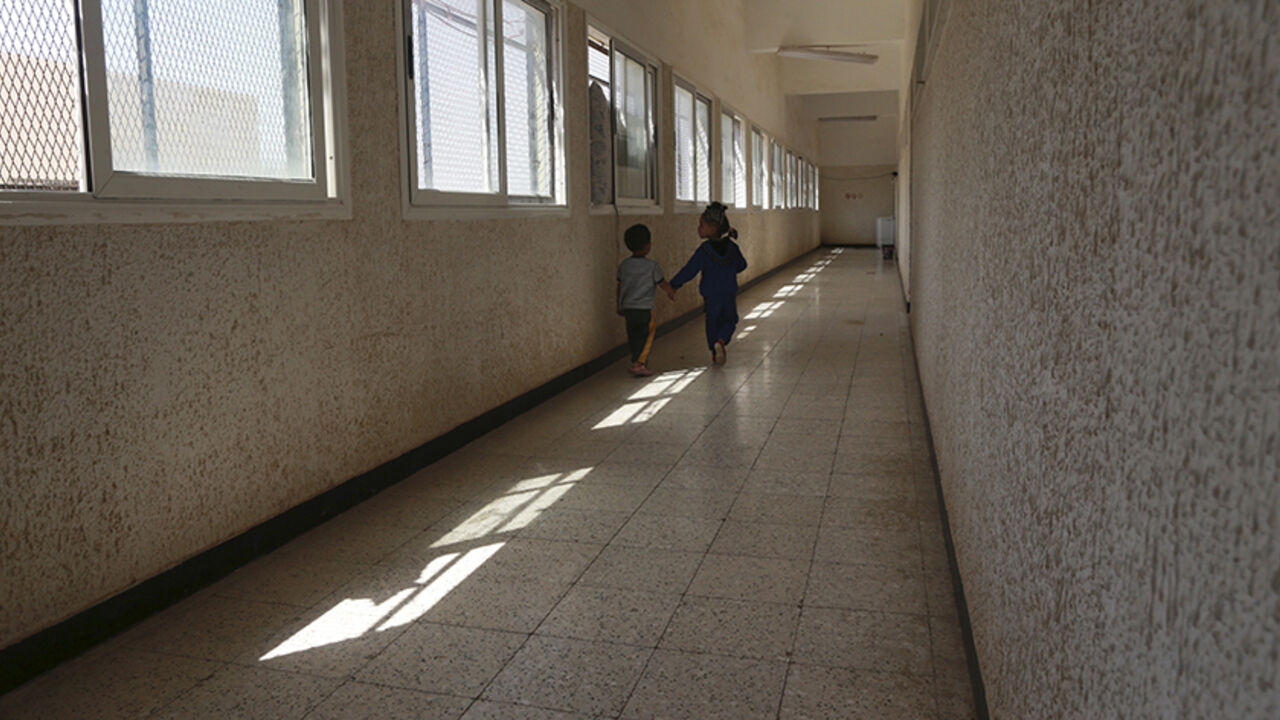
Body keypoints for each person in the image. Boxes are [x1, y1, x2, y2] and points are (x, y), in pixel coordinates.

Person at [669, 202, 747, 365]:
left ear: (712, 228)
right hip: (729, 292)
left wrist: (674, 284)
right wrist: (730, 271)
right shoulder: (733, 248)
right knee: (730, 319)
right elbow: (742, 265)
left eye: (701, 225)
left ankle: (714, 350)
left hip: (711, 295)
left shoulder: (704, 251)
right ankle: (721, 341)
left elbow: (690, 270)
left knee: (712, 322)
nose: (699, 228)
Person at [617, 223, 675, 377]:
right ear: (648, 245)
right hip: (644, 309)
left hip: (628, 308)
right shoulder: (652, 266)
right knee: (648, 334)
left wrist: (619, 304)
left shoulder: (624, 265)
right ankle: (639, 364)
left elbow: (620, 286)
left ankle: (636, 359)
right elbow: (662, 283)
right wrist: (671, 291)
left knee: (633, 335)